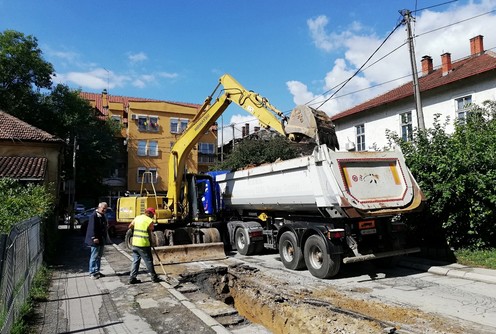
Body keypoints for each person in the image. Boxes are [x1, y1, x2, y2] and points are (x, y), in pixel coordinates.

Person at [128, 207, 161, 284]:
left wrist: (135, 231)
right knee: (149, 261)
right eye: (152, 214)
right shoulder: (149, 221)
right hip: (143, 244)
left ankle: (132, 278)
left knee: (135, 261)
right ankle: (154, 277)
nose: (153, 216)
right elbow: (150, 232)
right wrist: (152, 242)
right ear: (149, 213)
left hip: (135, 243)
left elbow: (130, 226)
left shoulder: (137, 218)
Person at [84, 202, 109, 279]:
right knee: (94, 256)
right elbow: (92, 228)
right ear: (99, 207)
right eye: (103, 208)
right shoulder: (94, 216)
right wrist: (93, 237)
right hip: (95, 240)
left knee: (99, 256)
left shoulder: (102, 216)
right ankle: (92, 273)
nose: (104, 210)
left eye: (106, 208)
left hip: (101, 239)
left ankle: (97, 271)